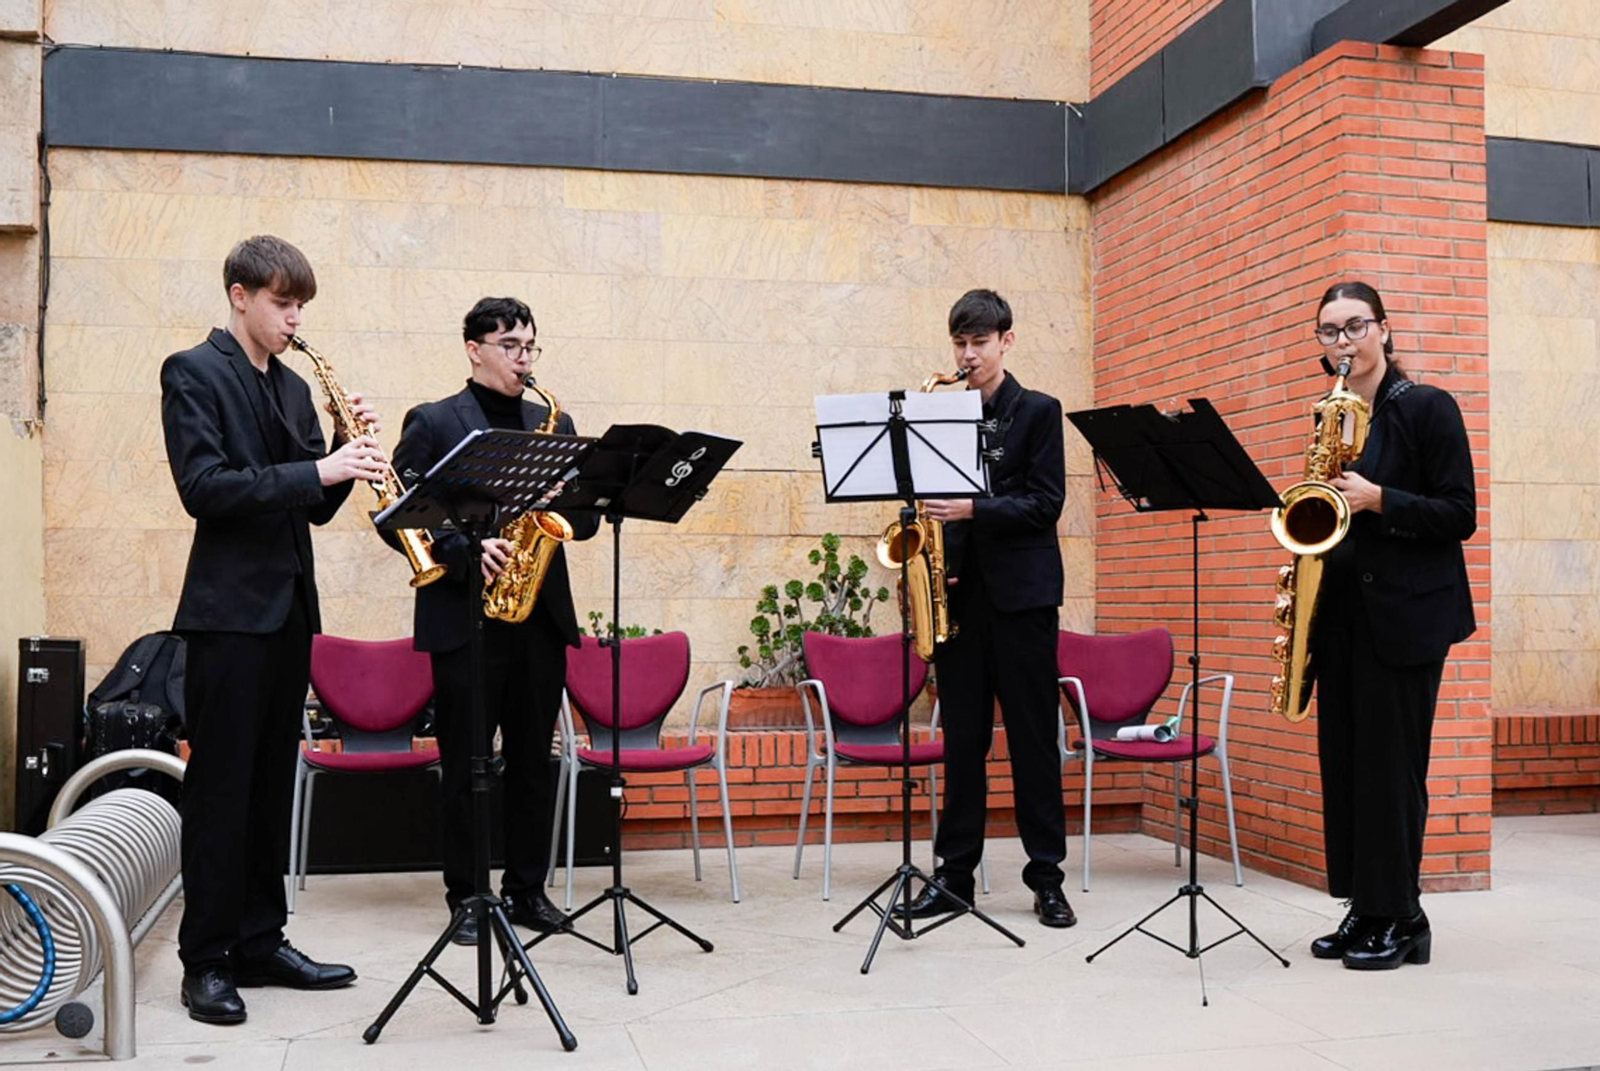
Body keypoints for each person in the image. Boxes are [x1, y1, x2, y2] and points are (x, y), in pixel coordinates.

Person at [161, 235, 383, 1024]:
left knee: (269, 789)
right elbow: (205, 487)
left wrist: (343, 455)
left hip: (289, 611)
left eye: (301, 307)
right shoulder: (193, 371)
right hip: (227, 616)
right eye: (283, 303)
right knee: (221, 790)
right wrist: (317, 469)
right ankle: (207, 959)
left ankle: (262, 938)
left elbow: (311, 505)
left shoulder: (291, 389)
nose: (294, 319)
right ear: (240, 294)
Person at [386, 297, 599, 944]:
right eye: (510, 344)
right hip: (465, 619)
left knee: (535, 759)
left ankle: (527, 890)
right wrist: (464, 550)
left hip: (539, 616)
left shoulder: (552, 424)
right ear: (474, 348)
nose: (523, 357)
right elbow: (401, 518)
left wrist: (571, 499)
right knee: (468, 764)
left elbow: (583, 521)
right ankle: (469, 896)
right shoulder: (432, 421)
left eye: (530, 345)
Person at [1305, 281, 1476, 969]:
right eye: (1328, 330)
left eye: (1354, 326)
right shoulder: (1332, 416)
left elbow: (1459, 512)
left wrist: (1379, 499)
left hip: (1405, 619)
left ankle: (1403, 916)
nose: (1342, 341)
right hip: (1345, 617)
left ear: (1384, 330)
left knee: (1390, 771)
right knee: (1346, 766)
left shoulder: (1428, 406)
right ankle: (1364, 906)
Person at [898, 288, 1075, 928]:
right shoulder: (938, 416)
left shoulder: (1038, 412)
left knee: (1032, 742)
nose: (969, 354)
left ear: (1007, 341)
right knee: (961, 744)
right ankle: (953, 876)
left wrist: (975, 508)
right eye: (960, 343)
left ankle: (1047, 879)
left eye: (980, 342)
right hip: (959, 601)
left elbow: (1045, 504)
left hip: (1024, 601)